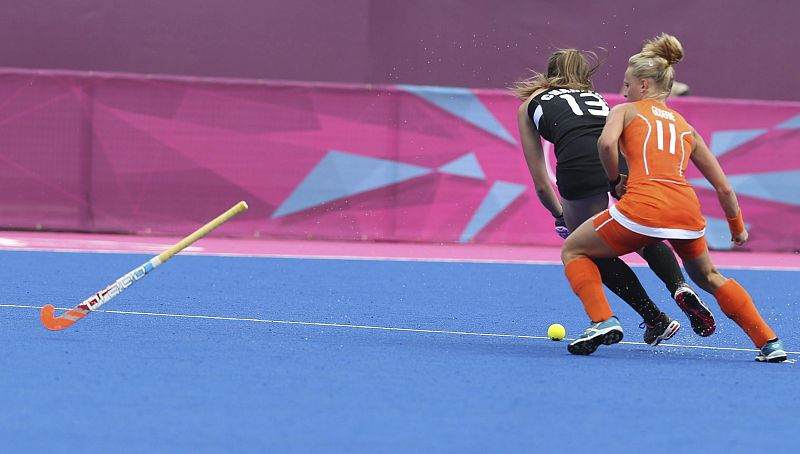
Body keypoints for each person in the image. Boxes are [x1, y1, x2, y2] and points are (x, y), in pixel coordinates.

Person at [561, 33, 787, 362]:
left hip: (641, 207)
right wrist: (737, 228)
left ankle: (602, 319)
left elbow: (605, 145)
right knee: (708, 276)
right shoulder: (685, 126)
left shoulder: (625, 110)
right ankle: (769, 343)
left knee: (574, 248)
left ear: (643, 84)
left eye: (627, 84)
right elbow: (723, 187)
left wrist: (614, 181)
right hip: (686, 213)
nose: (623, 91)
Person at [512, 49, 715, 346]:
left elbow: (542, 184)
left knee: (589, 249)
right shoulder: (598, 99)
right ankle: (679, 285)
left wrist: (560, 216)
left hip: (577, 167)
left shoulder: (531, 103)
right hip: (619, 163)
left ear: (549, 73)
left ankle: (654, 319)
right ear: (585, 75)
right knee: (641, 234)